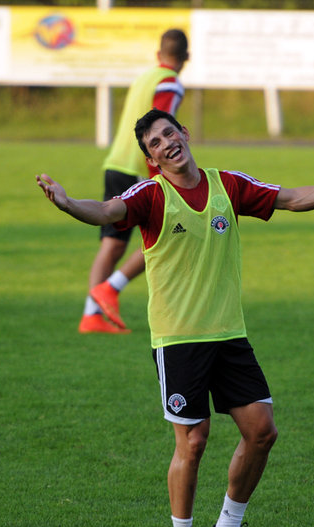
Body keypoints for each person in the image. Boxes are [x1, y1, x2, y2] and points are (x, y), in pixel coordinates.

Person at [37, 109, 314, 527]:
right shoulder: (151, 195)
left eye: (169, 133)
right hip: (179, 340)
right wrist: (69, 203)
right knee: (193, 441)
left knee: (262, 432)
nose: (166, 143)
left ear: (185, 134)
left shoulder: (227, 185)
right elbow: (107, 211)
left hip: (229, 335)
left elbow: (290, 199)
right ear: (152, 160)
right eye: (155, 143)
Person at [80, 29, 189, 334]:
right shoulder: (170, 82)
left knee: (112, 244)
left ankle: (91, 316)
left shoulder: (145, 77)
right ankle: (110, 288)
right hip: (143, 167)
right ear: (186, 57)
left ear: (158, 54)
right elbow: (160, 125)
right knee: (167, 233)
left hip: (117, 161)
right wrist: (160, 171)